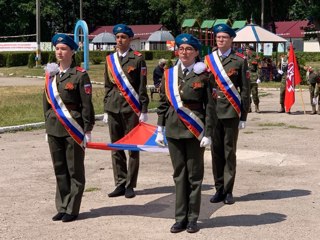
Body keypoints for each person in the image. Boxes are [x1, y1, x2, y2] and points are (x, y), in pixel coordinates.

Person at [155, 33, 216, 233]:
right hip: (173, 130)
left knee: (194, 177)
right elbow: (163, 104)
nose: (184, 52)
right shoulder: (169, 74)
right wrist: (159, 128)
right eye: (181, 49)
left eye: (189, 49)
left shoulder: (204, 75)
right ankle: (180, 217)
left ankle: (193, 218)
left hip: (194, 131)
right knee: (179, 175)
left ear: (196, 52)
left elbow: (210, 107)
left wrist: (208, 133)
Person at [43, 33, 95, 222]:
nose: (59, 52)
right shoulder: (51, 74)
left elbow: (87, 105)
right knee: (60, 168)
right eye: (57, 48)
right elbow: (46, 103)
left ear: (72, 52)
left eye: (63, 49)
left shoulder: (80, 74)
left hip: (73, 127)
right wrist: (46, 126)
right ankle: (62, 205)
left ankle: (72, 209)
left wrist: (87, 130)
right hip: (54, 127)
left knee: (74, 170)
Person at [204, 24, 250, 205]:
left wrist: (244, 115)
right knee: (216, 152)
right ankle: (218, 189)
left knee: (229, 152)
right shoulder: (208, 60)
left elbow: (245, 89)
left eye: (224, 37)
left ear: (231, 39)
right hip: (213, 112)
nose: (220, 40)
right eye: (218, 37)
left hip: (231, 112)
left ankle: (229, 190)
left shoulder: (239, 60)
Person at [103, 24, 149, 198]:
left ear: (130, 39)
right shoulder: (110, 60)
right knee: (116, 147)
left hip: (131, 108)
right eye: (117, 37)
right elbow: (108, 86)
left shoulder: (137, 59)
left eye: (123, 37)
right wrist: (106, 108)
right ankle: (120, 183)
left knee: (133, 147)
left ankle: (130, 184)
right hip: (113, 107)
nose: (120, 40)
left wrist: (143, 109)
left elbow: (142, 86)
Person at [245, 46, 261, 113]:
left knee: (255, 93)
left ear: (251, 50)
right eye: (246, 50)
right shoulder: (244, 58)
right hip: (246, 78)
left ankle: (257, 107)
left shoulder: (256, 58)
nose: (246, 51)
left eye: (247, 50)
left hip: (254, 78)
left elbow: (259, 68)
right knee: (247, 93)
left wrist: (259, 77)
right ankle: (249, 107)